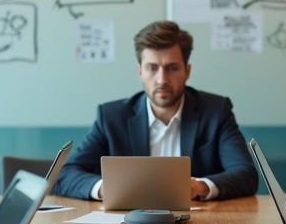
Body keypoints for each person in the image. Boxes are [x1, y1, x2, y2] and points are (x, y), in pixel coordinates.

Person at [53, 20, 257, 201]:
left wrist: (200, 187)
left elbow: (246, 174)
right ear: (140, 71)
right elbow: (64, 175)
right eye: (152, 68)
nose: (162, 80)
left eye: (172, 68)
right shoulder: (112, 117)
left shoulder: (215, 112)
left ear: (187, 71)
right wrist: (104, 189)